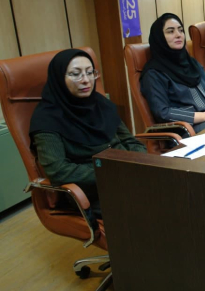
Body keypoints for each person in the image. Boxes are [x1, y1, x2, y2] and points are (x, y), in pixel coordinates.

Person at [30, 49, 146, 219]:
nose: (86, 80)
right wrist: (114, 172)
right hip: (93, 191)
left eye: (90, 72)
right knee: (154, 206)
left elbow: (130, 141)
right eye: (75, 74)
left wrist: (142, 163)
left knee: (177, 189)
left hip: (128, 176)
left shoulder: (100, 103)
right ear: (59, 78)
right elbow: (59, 171)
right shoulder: (47, 119)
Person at [141, 13, 205, 133]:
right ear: (160, 38)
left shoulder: (192, 63)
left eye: (180, 30)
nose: (178, 35)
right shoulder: (154, 73)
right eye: (170, 31)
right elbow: (163, 112)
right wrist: (204, 116)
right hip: (189, 129)